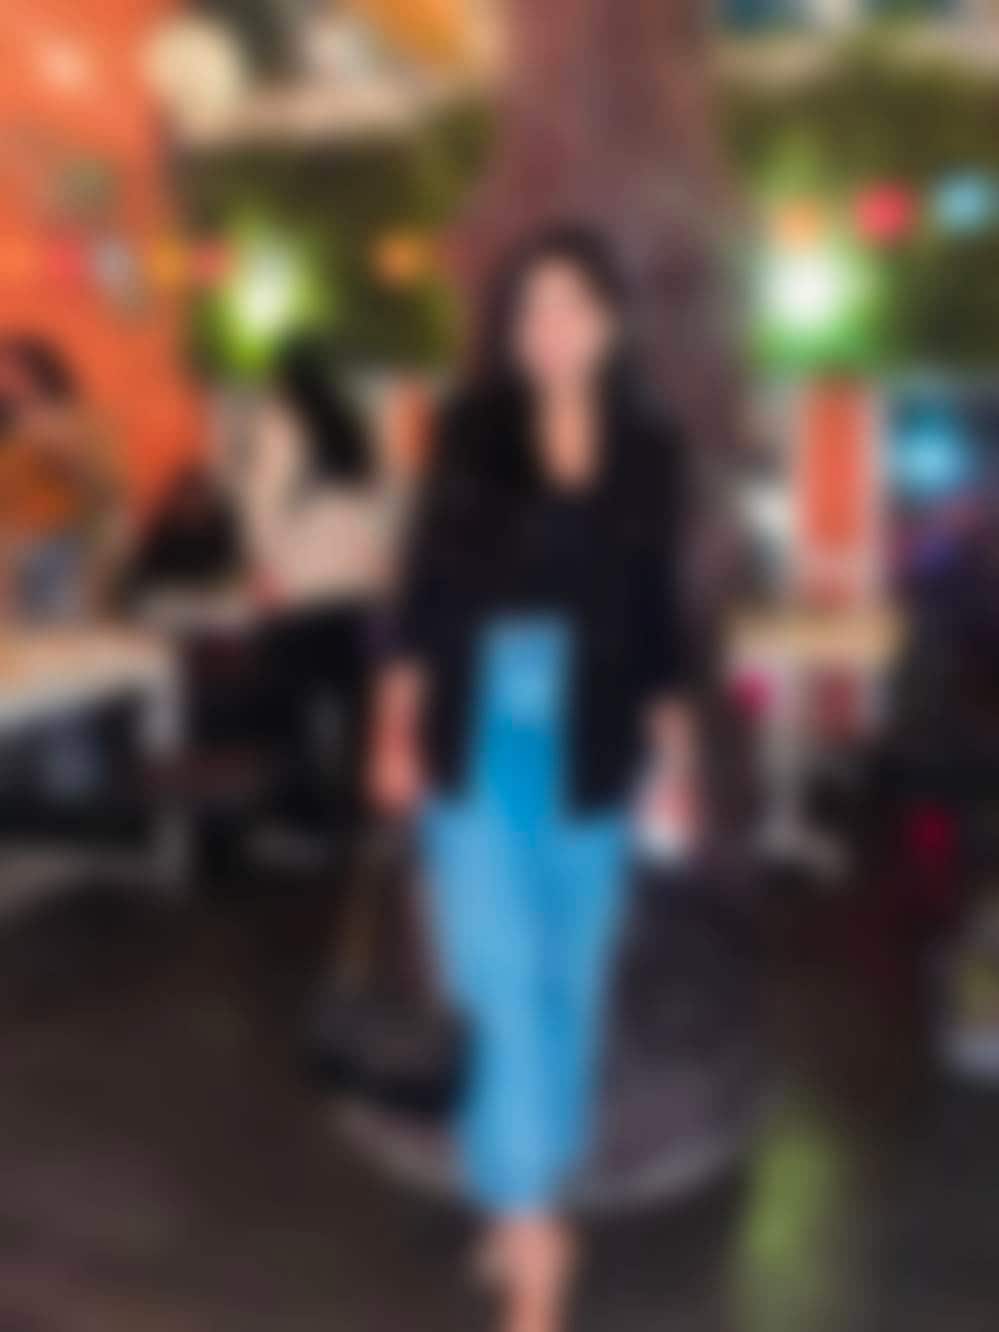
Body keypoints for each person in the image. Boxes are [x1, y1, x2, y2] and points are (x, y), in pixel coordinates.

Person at [368, 226, 700, 1332]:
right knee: (496, 980)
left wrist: (676, 760)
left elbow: (657, 623)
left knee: (570, 981)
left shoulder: (650, 450)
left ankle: (522, 1195)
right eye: (530, 308)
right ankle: (535, 1243)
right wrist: (393, 729)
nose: (549, 325)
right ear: (510, 329)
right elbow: (422, 592)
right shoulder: (471, 429)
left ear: (609, 320)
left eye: (570, 304)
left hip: (598, 738)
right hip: (480, 725)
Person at [0, 336, 124, 622]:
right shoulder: (9, 431)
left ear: (38, 372)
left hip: (63, 546)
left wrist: (65, 451)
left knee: (59, 628)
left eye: (13, 371)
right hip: (11, 552)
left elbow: (108, 488)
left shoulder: (80, 421)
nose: (6, 382)